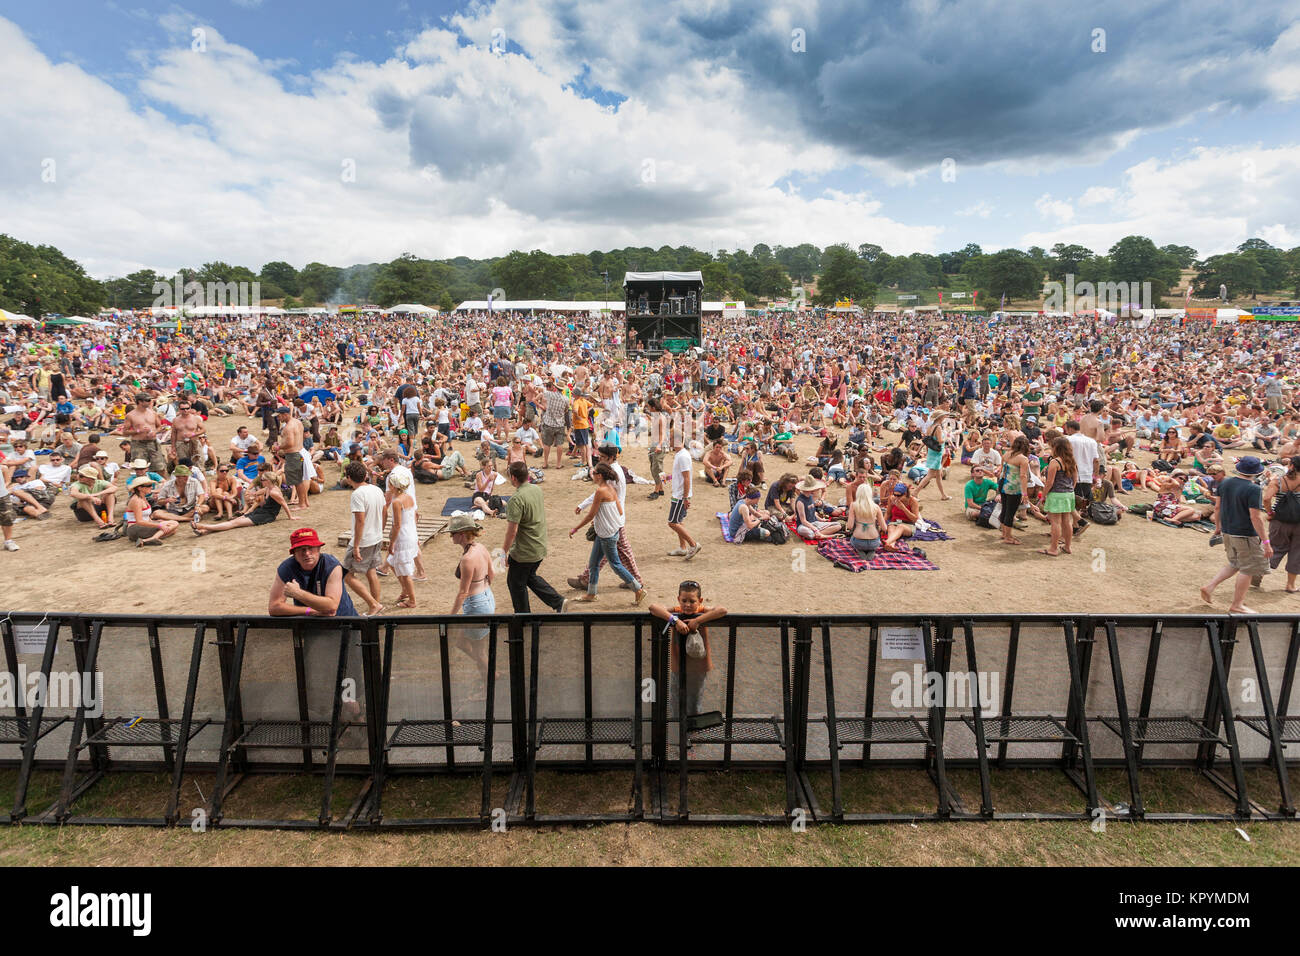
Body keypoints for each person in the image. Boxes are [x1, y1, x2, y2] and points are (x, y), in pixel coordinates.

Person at [1201, 456, 1273, 613]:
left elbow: (1217, 507)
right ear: (1256, 472)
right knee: (1247, 568)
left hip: (1228, 530)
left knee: (1235, 563)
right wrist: (1266, 542)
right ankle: (1237, 604)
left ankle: (1209, 586)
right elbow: (1256, 517)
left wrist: (1218, 528)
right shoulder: (1253, 489)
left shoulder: (1225, 482)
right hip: (1245, 534)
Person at [648, 581, 727, 720]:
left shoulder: (701, 611)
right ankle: (677, 731)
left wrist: (698, 620)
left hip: (698, 668)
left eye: (692, 601)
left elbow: (722, 610)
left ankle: (693, 734)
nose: (688, 604)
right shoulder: (677, 612)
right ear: (678, 599)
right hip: (678, 666)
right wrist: (675, 621)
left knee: (695, 702)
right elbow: (653, 607)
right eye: (684, 600)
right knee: (675, 700)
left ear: (700, 601)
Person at [568, 462, 647, 603]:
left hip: (607, 535)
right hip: (609, 531)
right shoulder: (611, 488)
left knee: (616, 565)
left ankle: (638, 589)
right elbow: (619, 510)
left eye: (593, 473)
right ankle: (591, 593)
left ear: (599, 476)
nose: (591, 475)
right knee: (594, 564)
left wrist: (576, 528)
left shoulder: (601, 491)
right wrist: (605, 517)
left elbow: (590, 515)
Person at [501, 460, 566, 613]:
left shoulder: (516, 499)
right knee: (529, 577)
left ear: (514, 478)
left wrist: (503, 552)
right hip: (539, 546)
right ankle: (558, 602)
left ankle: (523, 617)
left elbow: (512, 531)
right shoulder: (536, 489)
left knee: (516, 583)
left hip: (525, 552)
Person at [449, 513, 496, 695]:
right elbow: (491, 573)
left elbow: (463, 592)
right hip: (486, 597)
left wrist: (451, 616)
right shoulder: (481, 548)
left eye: (452, 533)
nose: (451, 536)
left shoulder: (467, 559)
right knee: (463, 643)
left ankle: (489, 682)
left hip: (476, 604)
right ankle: (489, 674)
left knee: (479, 651)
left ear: (461, 534)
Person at [341, 460, 385, 615]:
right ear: (365, 475)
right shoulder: (376, 489)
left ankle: (373, 604)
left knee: (345, 574)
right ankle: (376, 604)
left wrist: (357, 546)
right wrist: (381, 529)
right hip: (376, 537)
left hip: (364, 540)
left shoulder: (357, 494)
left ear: (348, 477)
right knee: (371, 572)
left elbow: (360, 520)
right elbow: (384, 511)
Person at [1264, 456, 1300, 593]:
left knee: (1274, 548)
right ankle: (1290, 585)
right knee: (1297, 553)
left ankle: (1259, 573)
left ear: (1291, 465)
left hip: (1280, 521)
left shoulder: (1279, 480)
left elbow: (1267, 498)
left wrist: (1270, 513)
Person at [385, 470, 419, 609]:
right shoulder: (409, 497)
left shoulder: (397, 502)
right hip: (411, 532)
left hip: (403, 536)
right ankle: (405, 590)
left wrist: (391, 542)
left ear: (393, 486)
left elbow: (397, 524)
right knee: (391, 562)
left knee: (405, 572)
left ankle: (412, 600)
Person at [1040, 435, 1078, 557]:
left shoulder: (1055, 462)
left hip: (1057, 494)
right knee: (1067, 521)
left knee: (1055, 522)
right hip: (1069, 493)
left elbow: (1049, 483)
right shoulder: (1071, 461)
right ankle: (1067, 546)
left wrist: (1043, 496)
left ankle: (1053, 548)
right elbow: (1075, 479)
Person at [667, 431, 700, 559]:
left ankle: (693, 544)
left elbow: (687, 478)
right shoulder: (680, 454)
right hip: (679, 493)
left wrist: (685, 497)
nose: (668, 441)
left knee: (672, 522)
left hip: (680, 495)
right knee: (679, 521)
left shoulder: (682, 456)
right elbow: (682, 475)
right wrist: (669, 477)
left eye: (670, 438)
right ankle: (682, 548)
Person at [123, 475, 178, 547]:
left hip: (142, 525)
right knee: (172, 526)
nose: (151, 487)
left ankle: (150, 539)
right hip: (135, 528)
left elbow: (145, 517)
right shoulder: (136, 501)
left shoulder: (142, 497)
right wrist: (159, 525)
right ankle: (151, 539)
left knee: (173, 527)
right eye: (149, 485)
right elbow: (139, 521)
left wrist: (155, 522)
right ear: (140, 488)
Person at [999, 436, 1031, 545]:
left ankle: (1004, 533)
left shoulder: (1006, 454)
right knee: (1010, 512)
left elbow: (1001, 470)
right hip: (1013, 487)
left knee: (1005, 509)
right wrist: (1025, 493)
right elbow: (1023, 476)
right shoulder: (1023, 459)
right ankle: (1008, 537)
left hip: (1003, 483)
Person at [848, 480, 886, 557]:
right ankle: (872, 550)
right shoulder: (876, 507)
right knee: (874, 544)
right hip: (874, 542)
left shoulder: (853, 506)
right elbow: (884, 528)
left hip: (859, 541)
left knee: (852, 540)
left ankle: (860, 550)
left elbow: (850, 526)